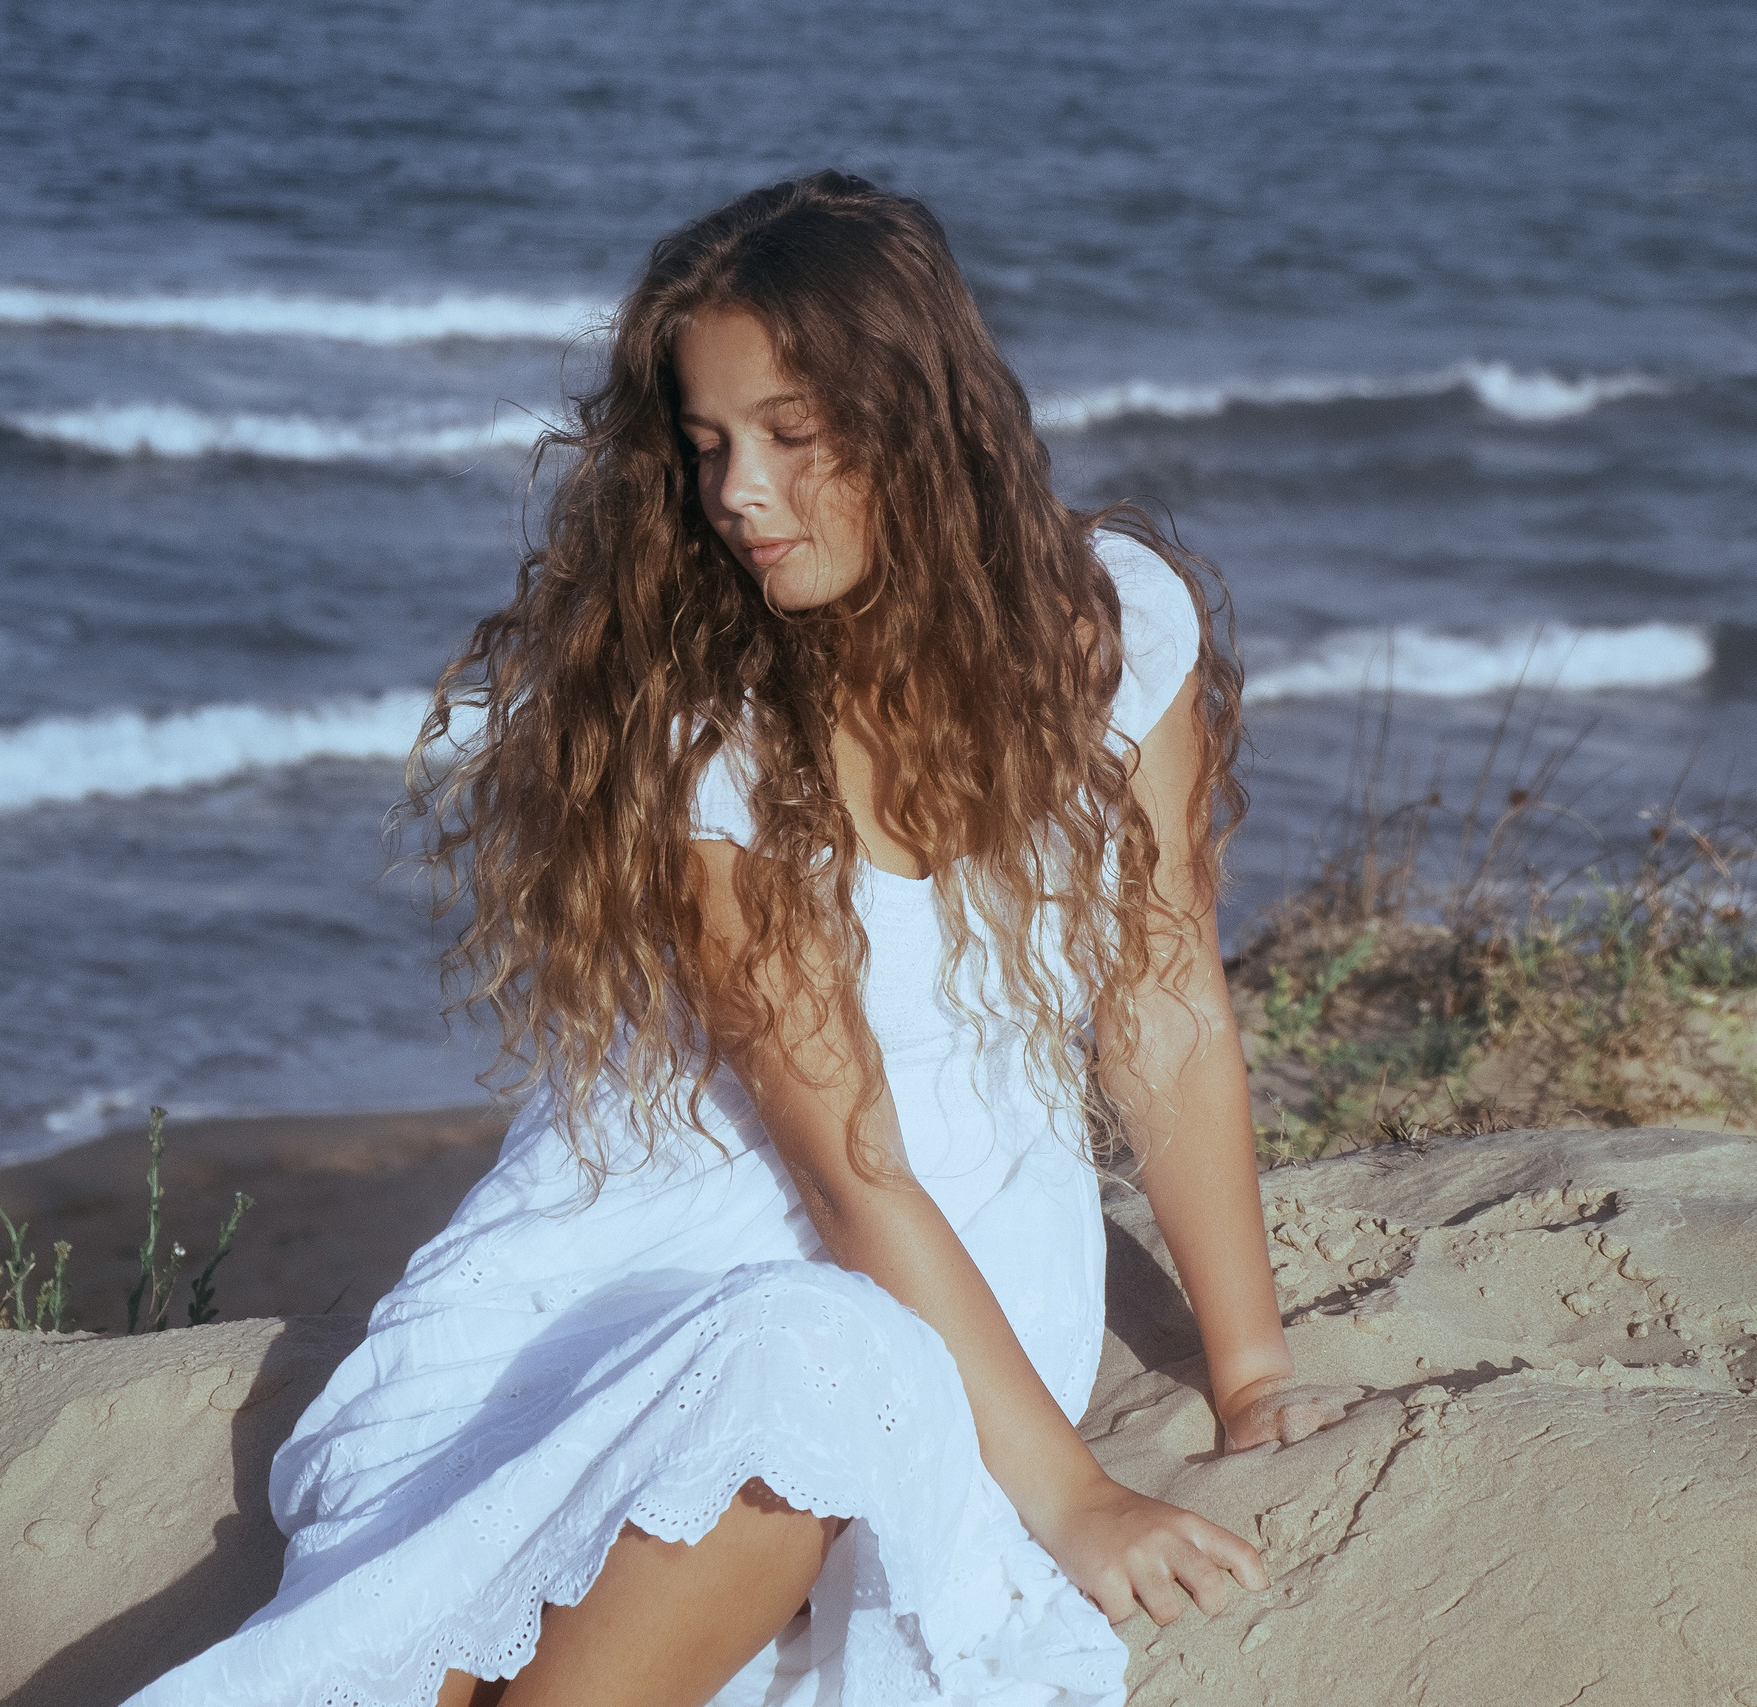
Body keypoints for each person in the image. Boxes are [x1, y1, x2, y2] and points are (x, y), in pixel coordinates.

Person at [126, 171, 1350, 1707]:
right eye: (705, 448)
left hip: (954, 1250)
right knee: (451, 1599)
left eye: (789, 436)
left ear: (915, 417)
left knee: (814, 1379)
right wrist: (1077, 1498)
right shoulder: (721, 739)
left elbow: (1164, 999)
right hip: (682, 1223)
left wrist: (1250, 1378)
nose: (737, 497)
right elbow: (849, 1160)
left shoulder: (1120, 630)